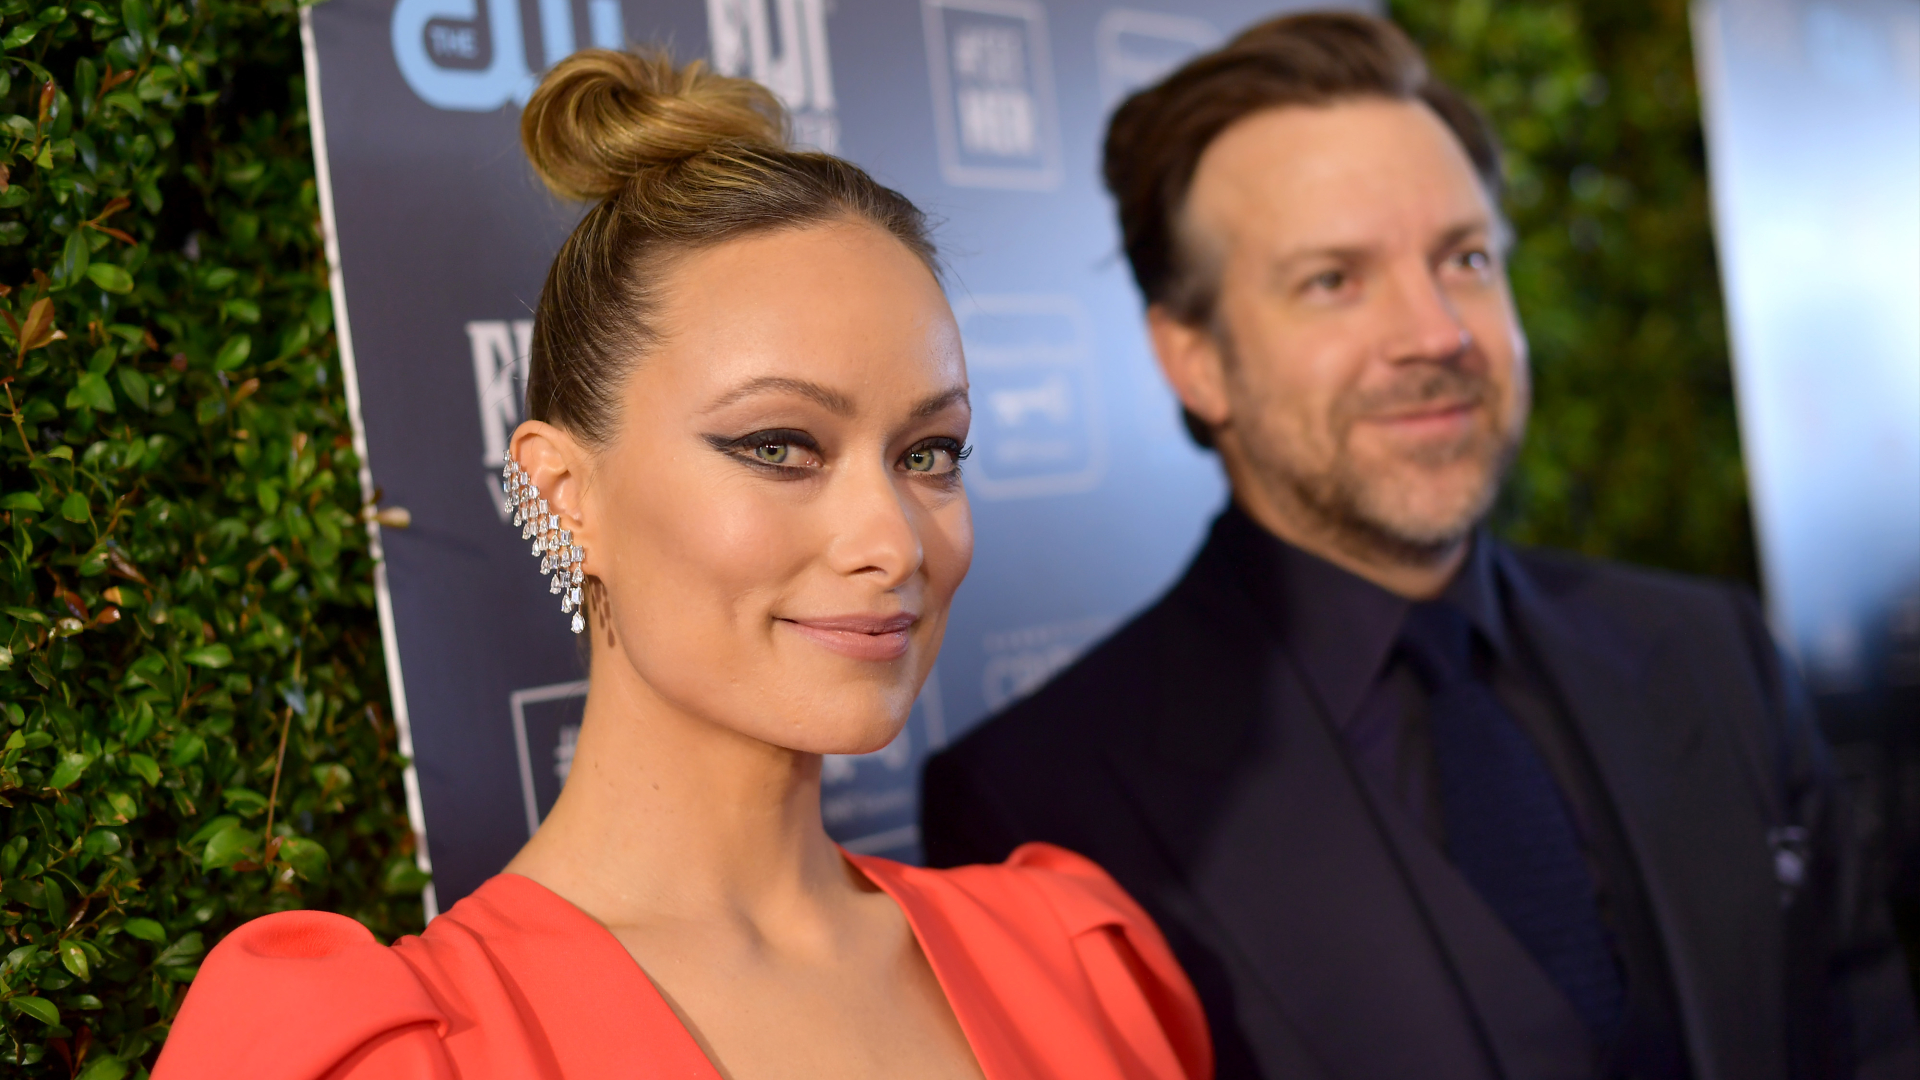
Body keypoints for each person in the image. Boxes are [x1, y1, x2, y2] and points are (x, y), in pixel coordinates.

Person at [153, 49, 1210, 1080]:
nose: (891, 541)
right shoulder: (391, 1052)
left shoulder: (1075, 964)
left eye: (926, 453)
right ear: (569, 496)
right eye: (778, 447)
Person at [921, 12, 1917, 1080]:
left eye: (1466, 257)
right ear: (1195, 358)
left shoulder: (1711, 650)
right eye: (1334, 280)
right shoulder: (1047, 801)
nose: (1437, 332)